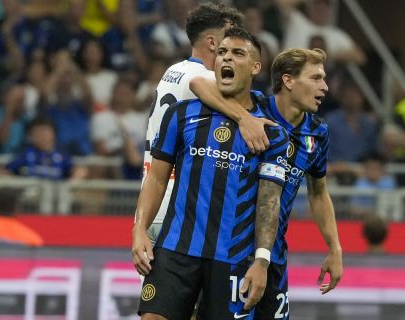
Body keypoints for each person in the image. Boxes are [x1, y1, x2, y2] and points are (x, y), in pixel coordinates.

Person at [133, 27, 289, 319]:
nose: (226, 58)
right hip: (176, 248)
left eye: (238, 53)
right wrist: (139, 229)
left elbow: (270, 202)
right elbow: (156, 178)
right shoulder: (181, 114)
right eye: (222, 52)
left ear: (255, 67)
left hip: (233, 258)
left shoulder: (270, 132)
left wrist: (262, 261)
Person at [190, 47, 343, 319]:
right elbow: (200, 84)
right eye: (316, 78)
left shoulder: (318, 132)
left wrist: (335, 248)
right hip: (232, 250)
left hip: (275, 255)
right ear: (288, 81)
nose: (325, 87)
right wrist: (242, 118)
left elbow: (318, 193)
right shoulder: (253, 106)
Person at [132, 2, 273, 260]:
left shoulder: (173, 71)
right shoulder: (200, 77)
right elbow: (201, 84)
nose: (232, 46)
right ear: (211, 42)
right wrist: (245, 118)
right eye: (227, 38)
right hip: (177, 208)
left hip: (153, 200)